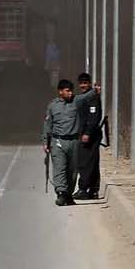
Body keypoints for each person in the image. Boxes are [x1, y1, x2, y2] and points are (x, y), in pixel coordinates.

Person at [41, 78, 81, 206]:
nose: (70, 93)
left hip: (74, 141)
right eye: (67, 91)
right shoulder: (52, 106)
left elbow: (86, 97)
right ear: (60, 92)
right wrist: (45, 143)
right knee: (60, 168)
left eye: (71, 91)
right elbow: (47, 125)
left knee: (72, 171)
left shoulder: (76, 102)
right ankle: (61, 193)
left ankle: (69, 194)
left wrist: (95, 92)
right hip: (58, 141)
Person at [72, 74, 104, 200]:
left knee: (85, 163)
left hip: (89, 134)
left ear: (90, 83)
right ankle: (93, 190)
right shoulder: (87, 96)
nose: (83, 85)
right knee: (92, 162)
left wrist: (87, 133)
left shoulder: (92, 97)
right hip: (86, 133)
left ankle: (83, 189)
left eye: (85, 83)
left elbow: (94, 117)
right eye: (81, 83)